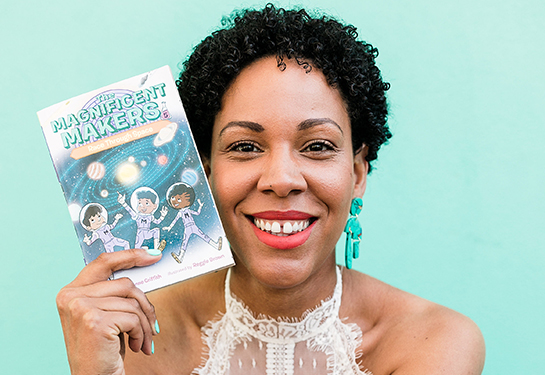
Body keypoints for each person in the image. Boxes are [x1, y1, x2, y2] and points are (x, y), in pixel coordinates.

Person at [56, 4, 485, 375]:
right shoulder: (136, 339)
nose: (281, 180)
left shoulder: (437, 342)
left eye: (317, 146)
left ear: (357, 174)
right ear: (205, 172)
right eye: (244, 147)